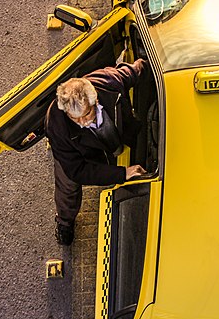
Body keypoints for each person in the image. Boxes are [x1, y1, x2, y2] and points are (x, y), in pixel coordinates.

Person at [45, 59, 147, 245]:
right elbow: (78, 170)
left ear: (95, 101)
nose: (82, 122)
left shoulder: (110, 81)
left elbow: (136, 70)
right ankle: (65, 222)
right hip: (79, 159)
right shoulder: (56, 124)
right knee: (67, 186)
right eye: (74, 118)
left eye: (86, 115)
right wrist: (122, 174)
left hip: (113, 139)